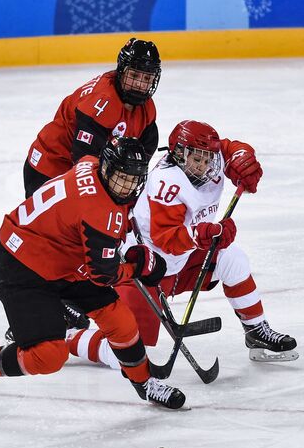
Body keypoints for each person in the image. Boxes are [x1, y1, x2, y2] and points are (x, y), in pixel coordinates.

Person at [0, 137, 187, 417]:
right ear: (108, 169)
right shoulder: (99, 211)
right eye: (121, 178)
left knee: (119, 319)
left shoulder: (91, 164)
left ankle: (144, 383)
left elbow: (94, 227)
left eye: (134, 179)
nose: (128, 186)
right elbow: (104, 275)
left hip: (61, 258)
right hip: (23, 266)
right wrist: (138, 268)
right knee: (48, 356)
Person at [67, 121, 298, 370]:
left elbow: (229, 148)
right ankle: (66, 338)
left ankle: (256, 330)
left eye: (207, 158)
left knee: (233, 259)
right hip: (145, 269)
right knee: (125, 355)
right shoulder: (166, 183)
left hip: (184, 261)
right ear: (178, 154)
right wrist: (206, 234)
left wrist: (243, 158)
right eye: (196, 159)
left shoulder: (210, 162)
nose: (203, 165)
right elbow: (168, 240)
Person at [24, 37, 161, 199]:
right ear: (122, 71)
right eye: (134, 75)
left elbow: (145, 147)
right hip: (50, 165)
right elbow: (84, 158)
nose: (140, 84)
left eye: (147, 78)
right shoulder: (101, 102)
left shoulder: (146, 109)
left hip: (75, 166)